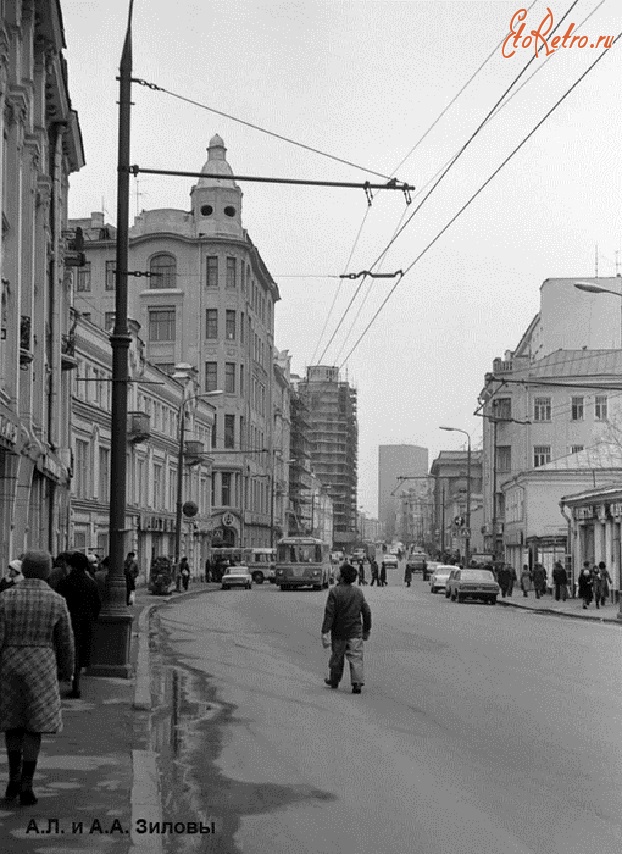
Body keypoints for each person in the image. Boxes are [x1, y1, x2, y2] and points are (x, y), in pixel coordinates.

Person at [0, 550, 74, 805]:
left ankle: (13, 779)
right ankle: (28, 785)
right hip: (42, 663)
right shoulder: (56, 601)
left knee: (12, 722)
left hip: (9, 662)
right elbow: (66, 641)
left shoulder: (5, 598)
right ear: (45, 571)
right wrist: (68, 671)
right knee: (35, 726)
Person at [321, 563, 372, 694]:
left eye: (339, 573)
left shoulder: (334, 592)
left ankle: (334, 680)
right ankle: (357, 683)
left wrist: (325, 631)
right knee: (356, 658)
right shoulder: (358, 592)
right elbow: (366, 612)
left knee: (337, 658)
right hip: (355, 632)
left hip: (339, 632)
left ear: (342, 578)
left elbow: (329, 614)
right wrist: (366, 630)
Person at [57, 552, 101, 699]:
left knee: (66, 650)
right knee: (81, 653)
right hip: (85, 623)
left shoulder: (65, 582)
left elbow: (59, 602)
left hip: (68, 621)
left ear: (72, 565)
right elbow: (97, 605)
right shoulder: (91, 583)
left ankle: (69, 680)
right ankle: (76, 682)